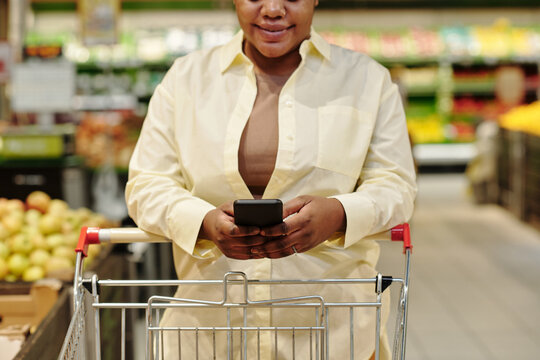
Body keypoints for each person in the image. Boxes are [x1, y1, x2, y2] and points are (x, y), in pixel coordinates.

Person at [125, 0, 417, 358]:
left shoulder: (366, 80)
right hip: (209, 329)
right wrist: (202, 222)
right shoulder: (186, 79)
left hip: (332, 331)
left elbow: (395, 184)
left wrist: (339, 213)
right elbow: (147, 183)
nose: (274, 9)